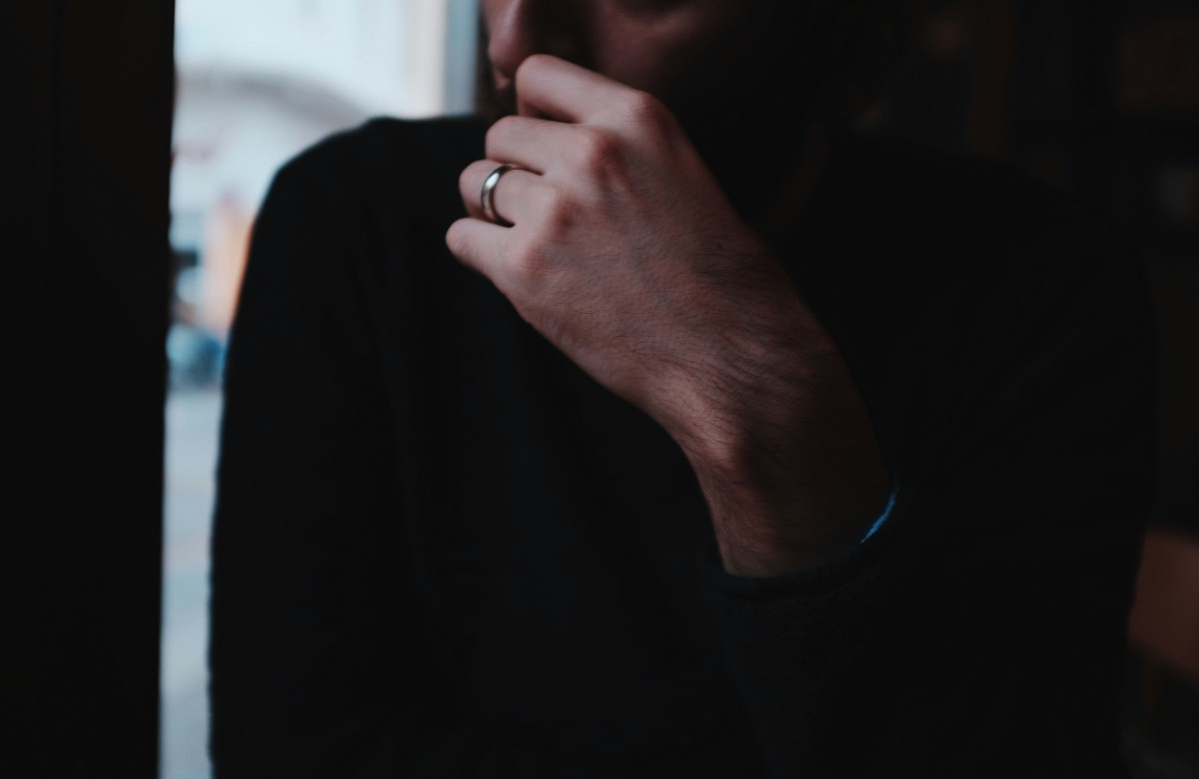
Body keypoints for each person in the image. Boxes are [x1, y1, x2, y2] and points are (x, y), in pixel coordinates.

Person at [208, 1, 1157, 776]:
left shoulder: (1041, 284)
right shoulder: (353, 224)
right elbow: (290, 749)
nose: (517, 38)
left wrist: (756, 403)